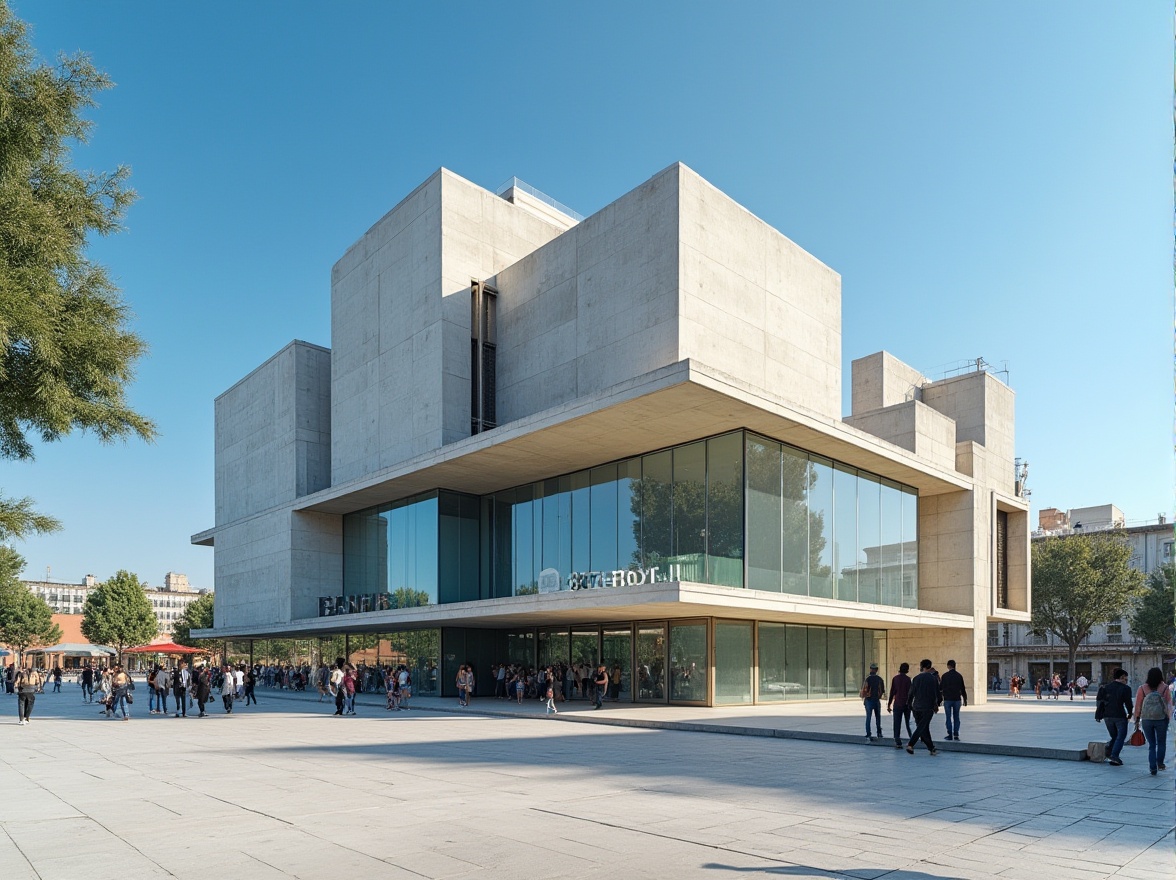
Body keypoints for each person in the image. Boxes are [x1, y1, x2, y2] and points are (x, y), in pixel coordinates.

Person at [1132, 667, 1172, 776]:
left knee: (1152, 744)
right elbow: (1169, 704)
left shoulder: (1142, 688)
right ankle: (1160, 763)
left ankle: (1152, 767)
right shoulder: (1165, 688)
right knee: (1161, 742)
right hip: (1161, 719)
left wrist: (1136, 719)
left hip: (1146, 719)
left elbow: (1138, 705)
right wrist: (1169, 717)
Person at [1097, 668, 1134, 766]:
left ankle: (1109, 750)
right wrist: (1130, 713)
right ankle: (1114, 755)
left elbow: (1099, 702)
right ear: (1121, 678)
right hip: (1119, 715)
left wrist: (1099, 715)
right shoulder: (1126, 689)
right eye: (1125, 679)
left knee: (1114, 736)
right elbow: (1128, 703)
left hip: (1107, 716)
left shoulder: (1104, 687)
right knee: (1121, 736)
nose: (1126, 681)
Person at [906, 659, 941, 756]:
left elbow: (911, 693)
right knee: (921, 727)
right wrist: (937, 704)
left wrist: (909, 704)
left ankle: (931, 748)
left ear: (922, 666)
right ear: (930, 666)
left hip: (916, 707)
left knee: (923, 728)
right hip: (927, 707)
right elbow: (938, 694)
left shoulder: (916, 678)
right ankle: (910, 744)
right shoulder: (933, 679)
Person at [887, 662, 914, 748]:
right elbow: (910, 693)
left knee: (897, 722)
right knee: (908, 722)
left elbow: (892, 692)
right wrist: (910, 703)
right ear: (907, 670)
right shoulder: (908, 680)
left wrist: (889, 704)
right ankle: (911, 739)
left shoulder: (895, 679)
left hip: (898, 703)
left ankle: (898, 741)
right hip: (906, 704)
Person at [940, 659, 968, 741]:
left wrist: (940, 698)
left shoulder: (945, 676)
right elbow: (963, 688)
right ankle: (956, 734)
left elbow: (940, 688)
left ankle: (949, 734)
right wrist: (965, 699)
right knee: (956, 716)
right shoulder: (959, 676)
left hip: (948, 699)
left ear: (948, 666)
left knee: (948, 717)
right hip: (957, 699)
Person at [861, 663, 885, 741]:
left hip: (868, 700)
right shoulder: (880, 679)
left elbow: (864, 690)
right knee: (878, 717)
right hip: (876, 700)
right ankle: (879, 733)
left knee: (868, 717)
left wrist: (864, 698)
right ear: (876, 670)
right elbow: (882, 691)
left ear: (871, 669)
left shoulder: (867, 679)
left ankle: (868, 733)